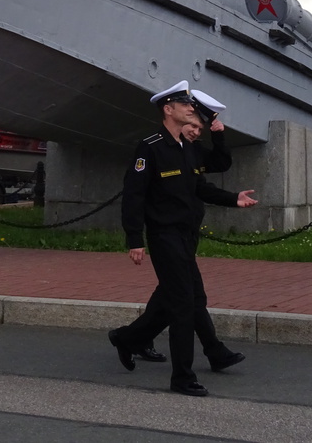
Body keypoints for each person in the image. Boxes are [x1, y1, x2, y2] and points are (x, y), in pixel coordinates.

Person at [108, 81, 257, 397]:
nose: (191, 107)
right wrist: (135, 239)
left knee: (185, 298)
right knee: (183, 305)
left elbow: (206, 180)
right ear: (168, 109)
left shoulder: (187, 148)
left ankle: (129, 338)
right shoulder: (150, 148)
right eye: (184, 103)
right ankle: (182, 377)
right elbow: (133, 197)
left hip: (187, 236)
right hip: (164, 236)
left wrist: (234, 198)